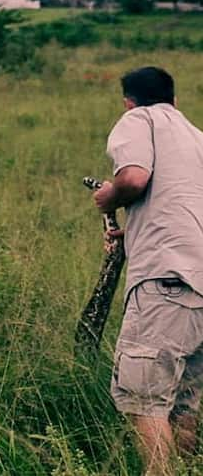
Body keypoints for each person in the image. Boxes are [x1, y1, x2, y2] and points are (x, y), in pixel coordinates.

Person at [93, 66, 203, 475]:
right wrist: (133, 231)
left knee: (144, 400)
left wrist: (109, 196)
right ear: (175, 101)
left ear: (129, 101)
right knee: (182, 402)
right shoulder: (197, 138)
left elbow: (135, 178)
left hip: (166, 284)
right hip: (199, 285)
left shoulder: (138, 119)